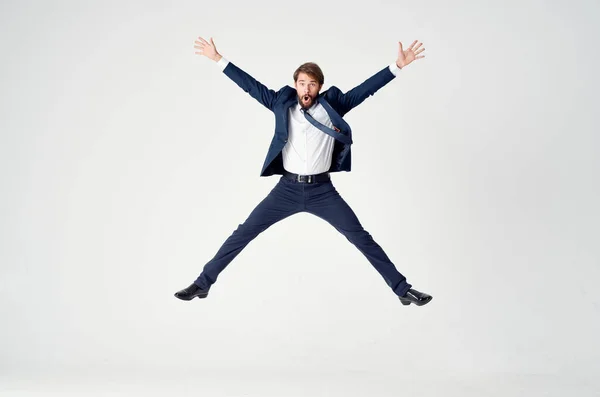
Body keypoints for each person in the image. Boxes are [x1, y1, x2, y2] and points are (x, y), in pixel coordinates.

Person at [174, 36, 432, 306]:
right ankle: (202, 284)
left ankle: (402, 289)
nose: (306, 88)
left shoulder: (333, 104)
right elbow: (250, 86)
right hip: (286, 190)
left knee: (360, 237)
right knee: (243, 233)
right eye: (301, 83)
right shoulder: (280, 102)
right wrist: (218, 59)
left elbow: (365, 89)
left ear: (319, 86)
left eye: (312, 84)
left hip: (323, 192)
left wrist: (397, 66)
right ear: (295, 85)